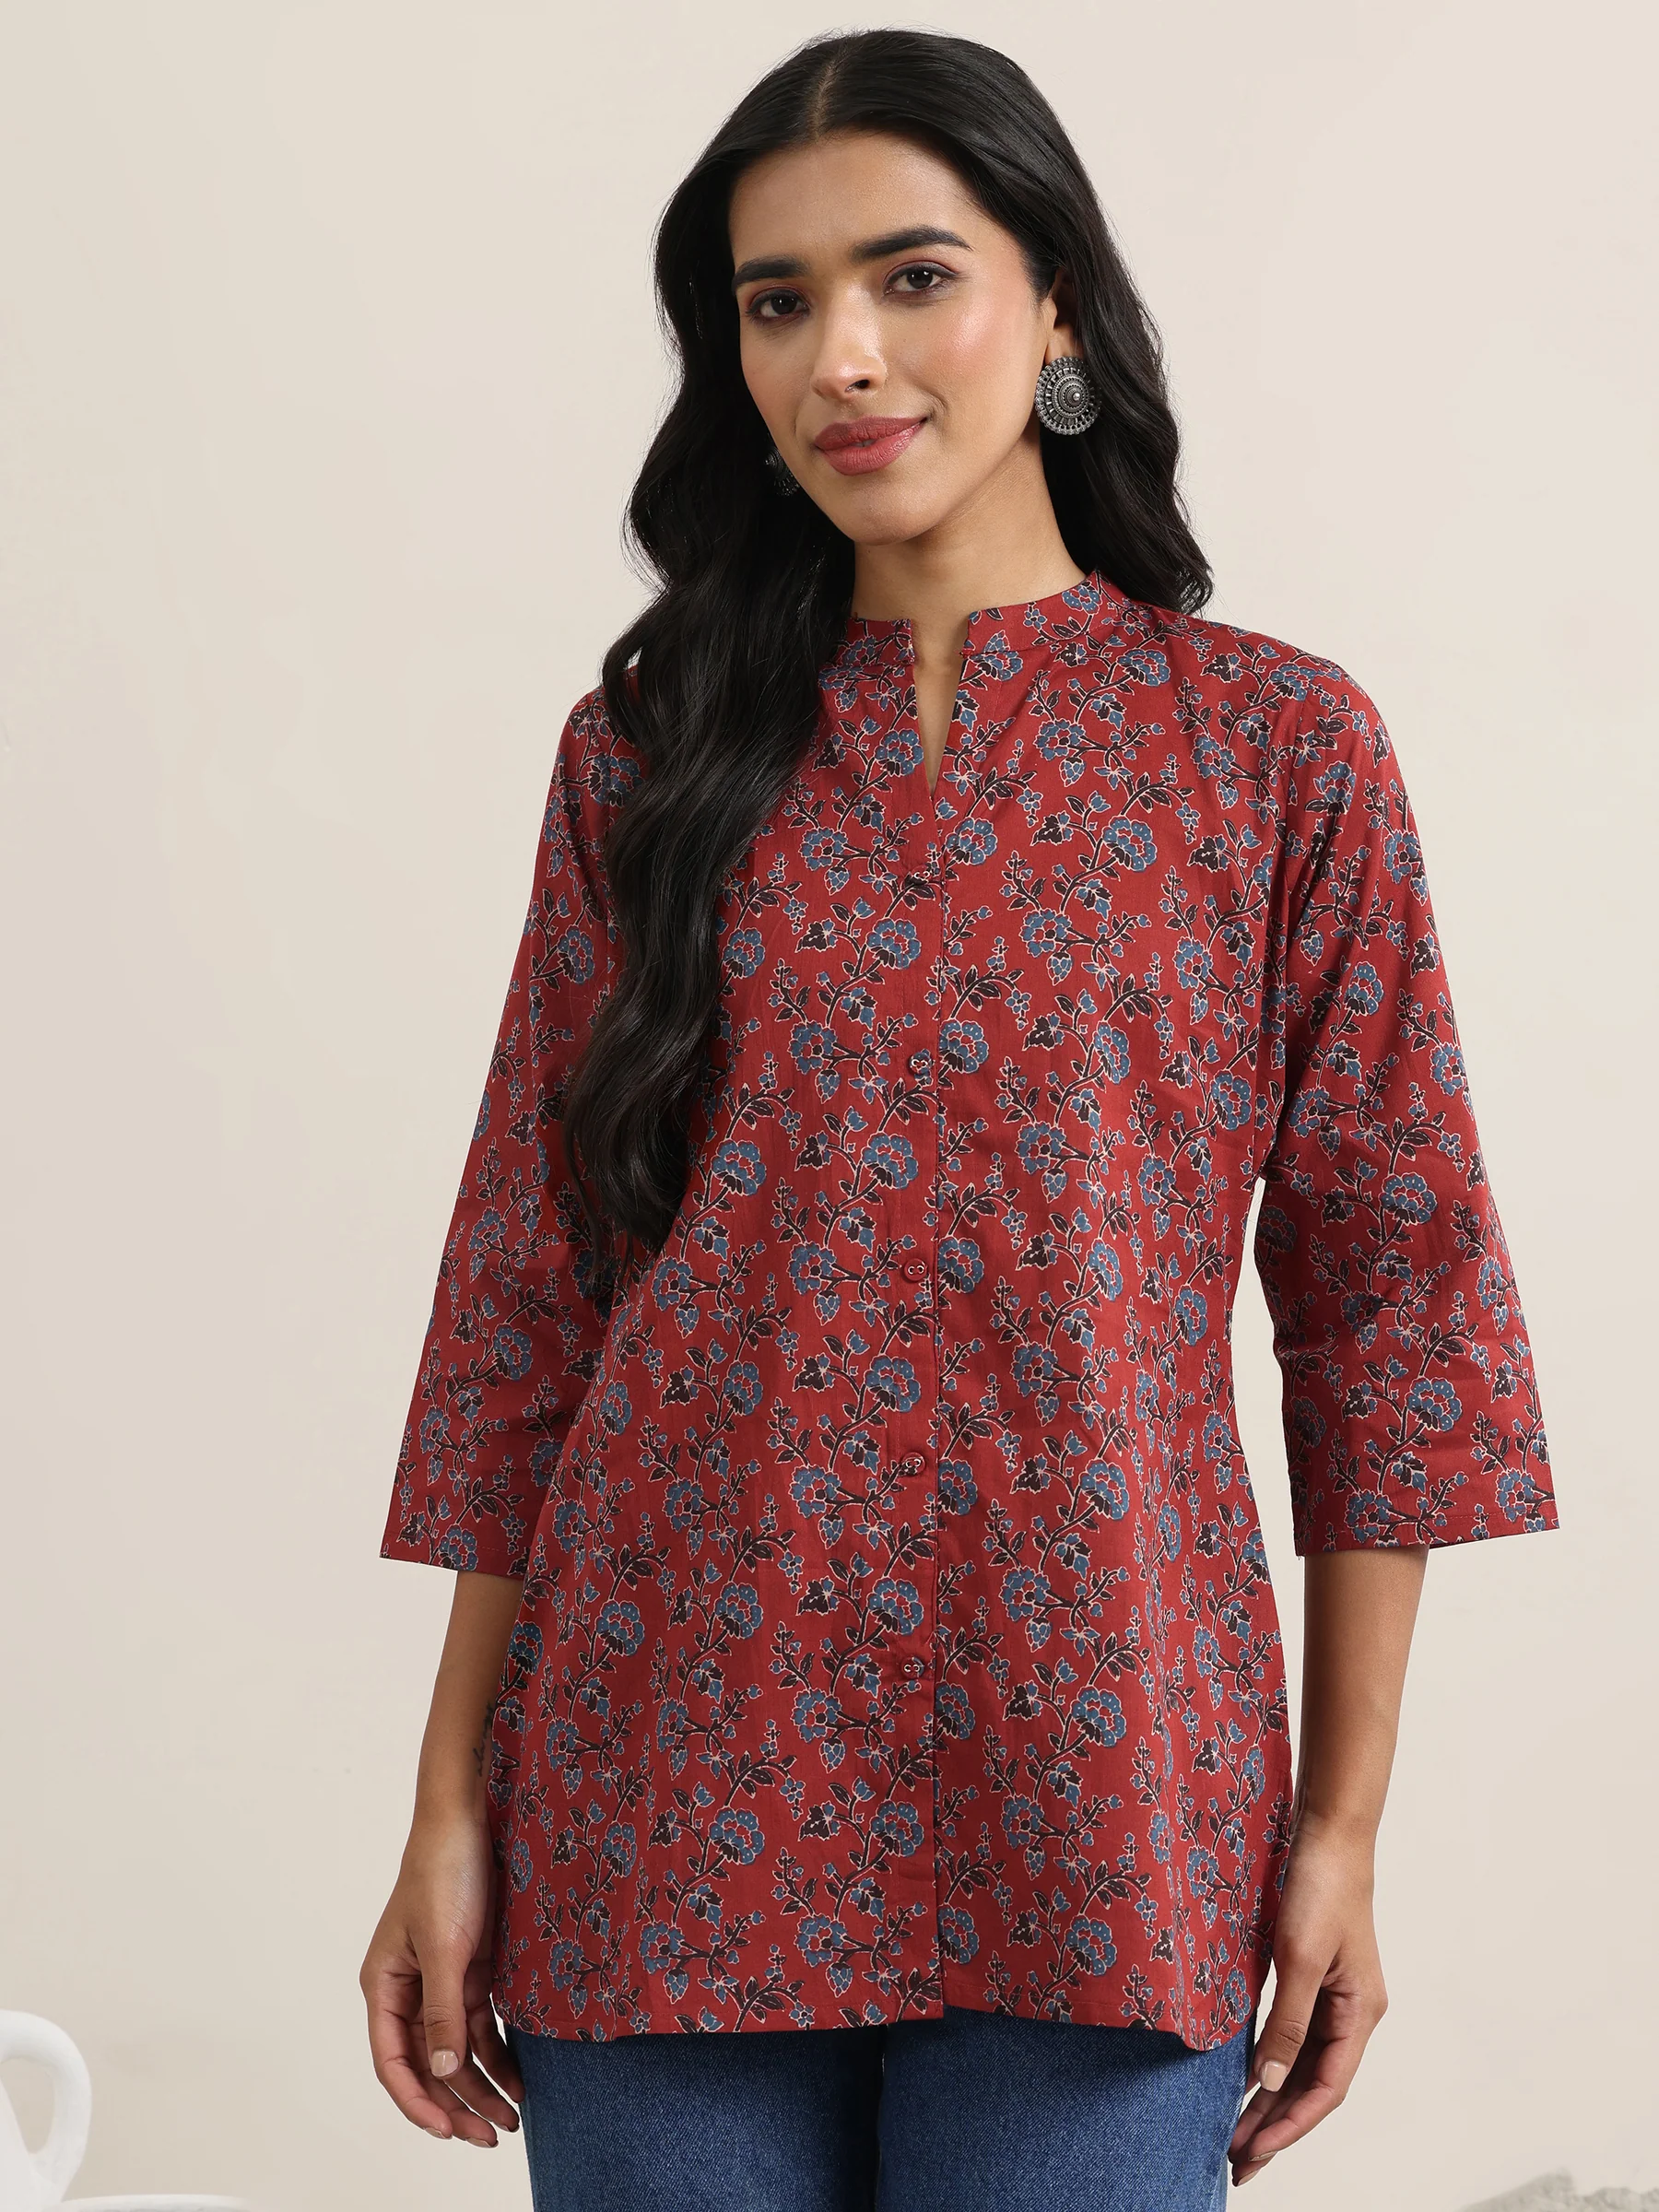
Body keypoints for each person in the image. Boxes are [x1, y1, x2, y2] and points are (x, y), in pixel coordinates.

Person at [359, 28, 1559, 2210]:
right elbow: (533, 1299)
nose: (844, 356)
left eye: (914, 277)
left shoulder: (1275, 756)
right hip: (664, 1789)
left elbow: (1394, 1314)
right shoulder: (645, 759)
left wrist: (1341, 1829)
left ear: (1059, 305)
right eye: (778, 302)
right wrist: (449, 1807)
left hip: (1107, 1798)